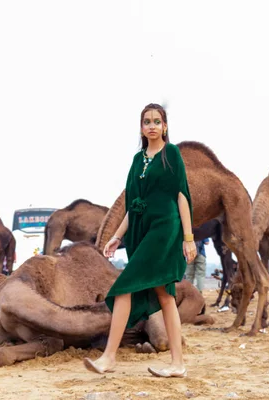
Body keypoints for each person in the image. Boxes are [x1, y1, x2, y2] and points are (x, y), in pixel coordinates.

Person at [83, 103, 195, 379]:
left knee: (124, 286)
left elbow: (181, 195)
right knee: (165, 295)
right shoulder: (137, 159)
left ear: (165, 126)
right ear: (141, 127)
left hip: (165, 229)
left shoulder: (171, 153)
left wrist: (189, 238)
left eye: (158, 121)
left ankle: (109, 357)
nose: (152, 126)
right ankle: (177, 363)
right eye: (147, 121)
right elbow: (134, 205)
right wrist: (117, 236)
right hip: (141, 230)